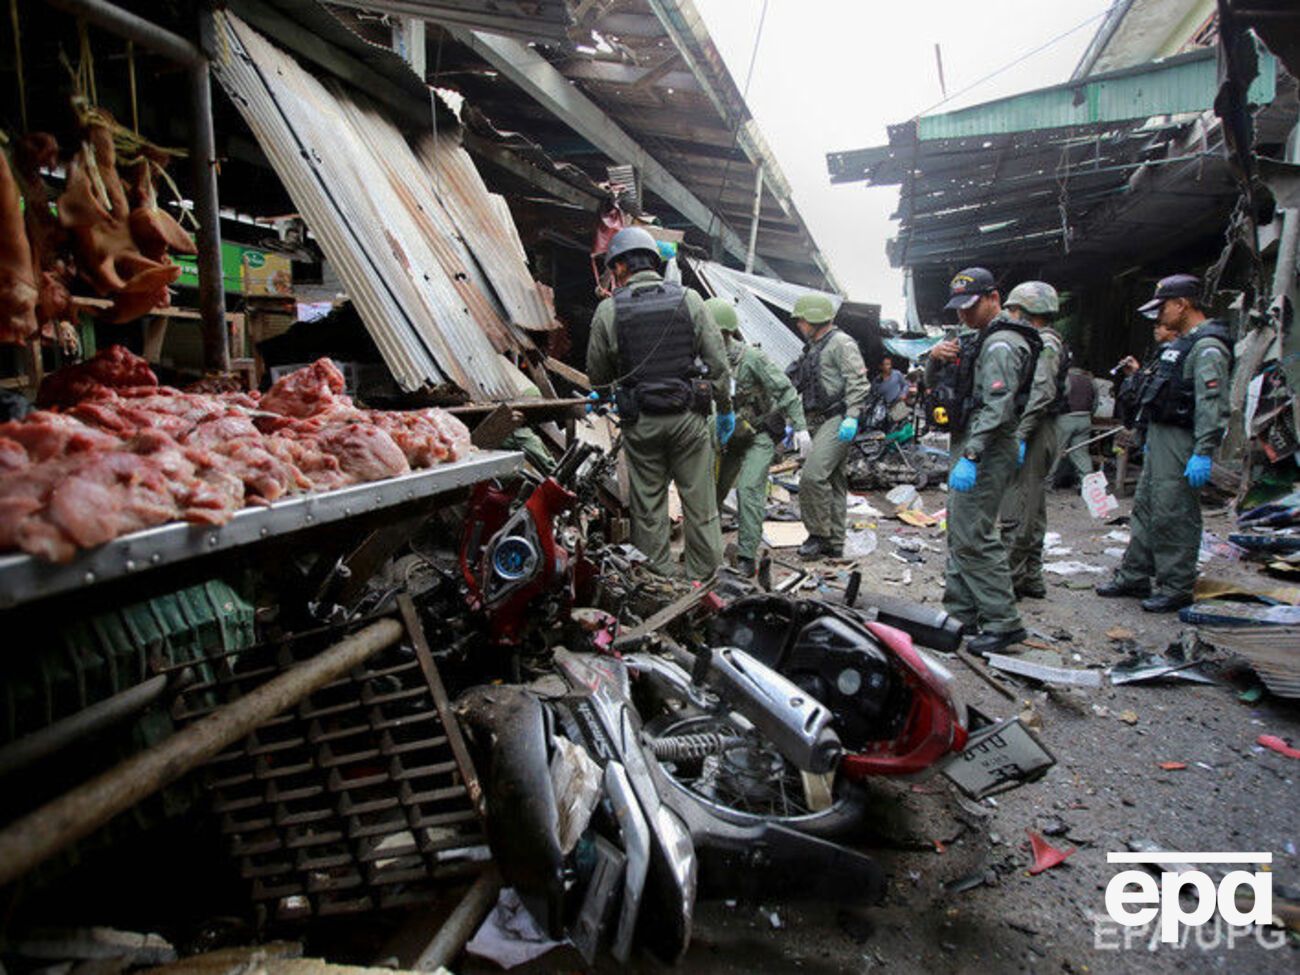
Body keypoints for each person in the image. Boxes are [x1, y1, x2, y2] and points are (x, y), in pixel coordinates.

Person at [586, 226, 734, 581]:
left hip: (642, 421)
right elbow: (718, 365)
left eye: (612, 268)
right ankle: (706, 577)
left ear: (621, 266)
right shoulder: (690, 299)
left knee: (648, 507)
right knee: (700, 502)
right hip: (688, 419)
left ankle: (658, 581)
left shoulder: (609, 309)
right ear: (652, 261)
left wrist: (603, 395)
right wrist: (725, 409)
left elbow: (597, 374)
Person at [1097, 274, 1232, 612]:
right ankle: (1135, 575)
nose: (1158, 317)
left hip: (1182, 439)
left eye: (1163, 309)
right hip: (1159, 435)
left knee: (1175, 511)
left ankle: (1176, 585)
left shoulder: (1207, 347)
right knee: (1145, 506)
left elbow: (1211, 405)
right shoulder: (1181, 345)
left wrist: (1203, 451)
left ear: (1181, 305)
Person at [925, 267, 1041, 654]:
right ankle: (960, 614)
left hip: (986, 446)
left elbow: (997, 406)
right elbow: (941, 386)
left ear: (994, 298)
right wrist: (934, 357)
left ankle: (1004, 622)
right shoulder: (978, 338)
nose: (963, 315)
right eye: (958, 308)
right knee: (960, 531)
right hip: (970, 441)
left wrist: (972, 455)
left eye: (971, 307)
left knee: (975, 534)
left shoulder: (1003, 344)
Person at [707, 297, 810, 577]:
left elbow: (785, 390)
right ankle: (707, 551)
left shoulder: (753, 359)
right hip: (727, 435)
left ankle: (746, 556)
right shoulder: (703, 360)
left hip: (758, 436)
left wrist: (800, 427)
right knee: (710, 492)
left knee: (749, 490)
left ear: (726, 333)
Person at [786, 293, 869, 559]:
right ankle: (834, 542)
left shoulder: (841, 343)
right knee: (833, 480)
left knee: (813, 475)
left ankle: (818, 535)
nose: (799, 324)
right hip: (816, 419)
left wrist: (852, 415)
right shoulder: (812, 346)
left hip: (837, 418)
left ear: (814, 318)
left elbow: (858, 382)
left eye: (802, 320)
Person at [998, 282, 1067, 600]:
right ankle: (1030, 577)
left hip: (1036, 429)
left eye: (1013, 311)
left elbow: (1042, 393)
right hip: (1039, 427)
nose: (1010, 316)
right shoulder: (1041, 340)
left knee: (1019, 506)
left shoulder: (1045, 342)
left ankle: (1009, 581)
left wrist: (1021, 435)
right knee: (1034, 507)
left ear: (1026, 312)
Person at [1051, 366, 1096, 487]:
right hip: (1085, 418)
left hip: (1066, 418)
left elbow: (1058, 398)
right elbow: (1095, 401)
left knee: (1056, 451)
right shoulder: (1090, 381)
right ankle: (1088, 483)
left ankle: (1047, 483)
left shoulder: (1065, 378)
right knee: (1081, 453)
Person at [876, 356, 909, 421]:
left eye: (890, 364)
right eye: (887, 364)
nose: (889, 366)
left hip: (898, 404)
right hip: (884, 408)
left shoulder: (897, 374)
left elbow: (905, 385)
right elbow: (874, 393)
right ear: (881, 366)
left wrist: (903, 393)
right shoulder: (877, 380)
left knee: (901, 423)